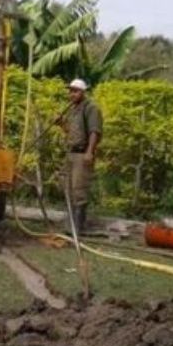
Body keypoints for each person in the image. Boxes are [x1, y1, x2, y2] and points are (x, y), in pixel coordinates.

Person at [58, 78, 103, 234]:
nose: (72, 94)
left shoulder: (91, 108)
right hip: (71, 152)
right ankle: (69, 226)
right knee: (68, 188)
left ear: (83, 92)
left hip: (83, 153)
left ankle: (77, 228)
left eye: (75, 91)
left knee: (79, 190)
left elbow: (94, 131)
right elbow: (71, 132)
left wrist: (90, 152)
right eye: (70, 91)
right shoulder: (72, 109)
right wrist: (61, 124)